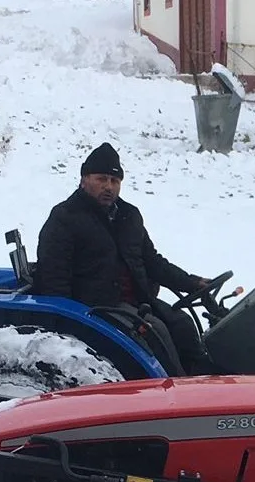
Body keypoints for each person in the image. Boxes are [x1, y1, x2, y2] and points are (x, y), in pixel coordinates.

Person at [32, 141, 214, 374]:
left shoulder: (129, 216)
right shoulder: (65, 218)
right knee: (157, 335)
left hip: (136, 301)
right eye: (101, 179)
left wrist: (192, 282)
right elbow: (54, 278)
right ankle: (177, 392)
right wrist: (70, 323)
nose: (109, 187)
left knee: (182, 324)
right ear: (84, 179)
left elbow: (152, 261)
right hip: (96, 308)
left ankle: (205, 381)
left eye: (114, 181)